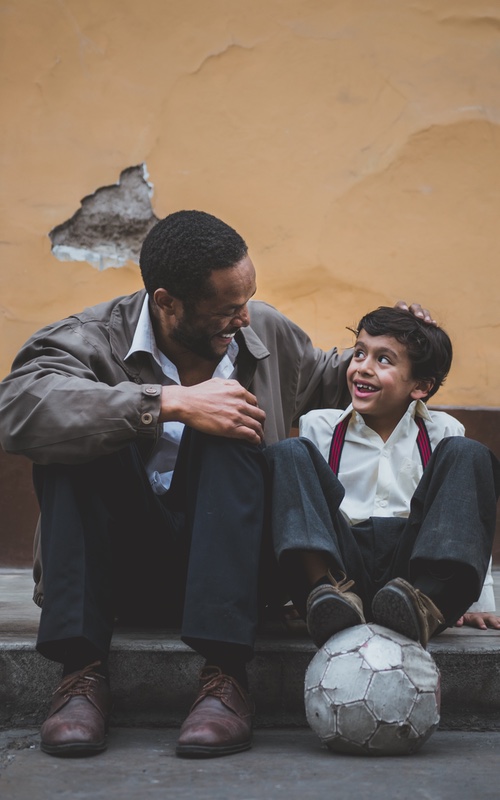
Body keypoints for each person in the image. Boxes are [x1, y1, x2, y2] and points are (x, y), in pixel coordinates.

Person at [0, 210, 433, 760]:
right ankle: (80, 677)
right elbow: (17, 409)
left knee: (234, 422)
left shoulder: (263, 330)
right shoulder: (88, 340)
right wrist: (167, 402)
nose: (244, 317)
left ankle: (224, 679)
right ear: (167, 303)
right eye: (226, 310)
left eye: (247, 300)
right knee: (75, 437)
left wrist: (403, 348)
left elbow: (332, 379)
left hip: (233, 572)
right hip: (114, 574)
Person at [264, 307, 500, 653]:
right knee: (287, 453)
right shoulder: (320, 425)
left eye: (384, 359)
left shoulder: (443, 431)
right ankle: (323, 597)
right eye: (359, 352)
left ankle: (425, 607)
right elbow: (303, 511)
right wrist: (288, 597)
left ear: (420, 386)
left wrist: (481, 601)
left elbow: (462, 515)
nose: (362, 366)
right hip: (341, 568)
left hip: (413, 574)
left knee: (469, 453)